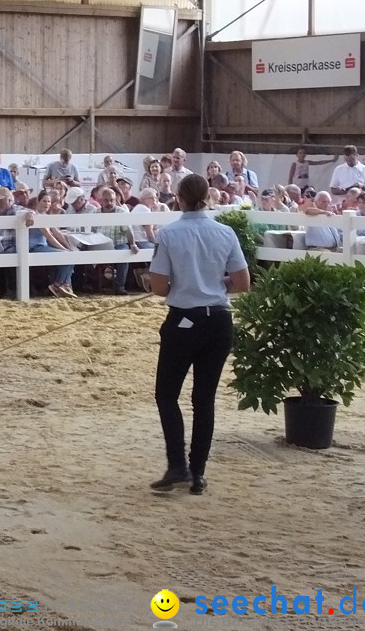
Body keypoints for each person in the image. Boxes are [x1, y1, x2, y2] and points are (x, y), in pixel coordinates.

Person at [147, 173, 250, 496]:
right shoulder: (225, 232)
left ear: (179, 197)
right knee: (203, 399)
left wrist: (177, 284)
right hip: (218, 321)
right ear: (208, 196)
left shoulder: (170, 233)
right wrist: (215, 284)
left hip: (183, 320)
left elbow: (160, 286)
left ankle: (177, 463)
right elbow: (242, 283)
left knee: (167, 394)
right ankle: (198, 473)